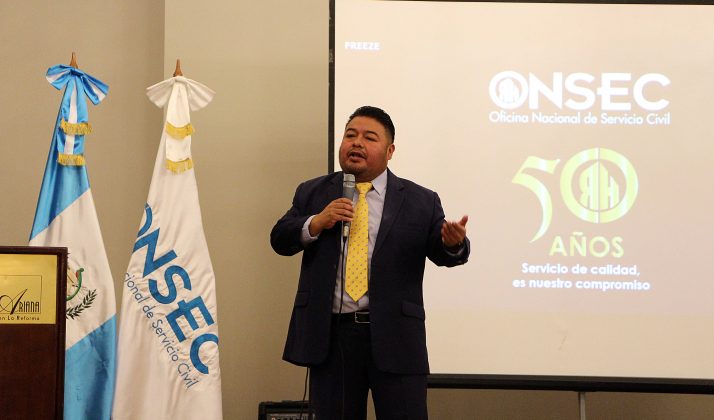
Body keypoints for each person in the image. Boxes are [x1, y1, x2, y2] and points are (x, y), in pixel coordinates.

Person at [270, 106, 469, 419]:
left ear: (390, 151)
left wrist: (452, 242)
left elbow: (443, 252)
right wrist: (317, 222)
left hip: (396, 337)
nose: (356, 143)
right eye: (350, 135)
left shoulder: (420, 200)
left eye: (369, 138)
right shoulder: (313, 192)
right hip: (332, 339)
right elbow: (280, 238)